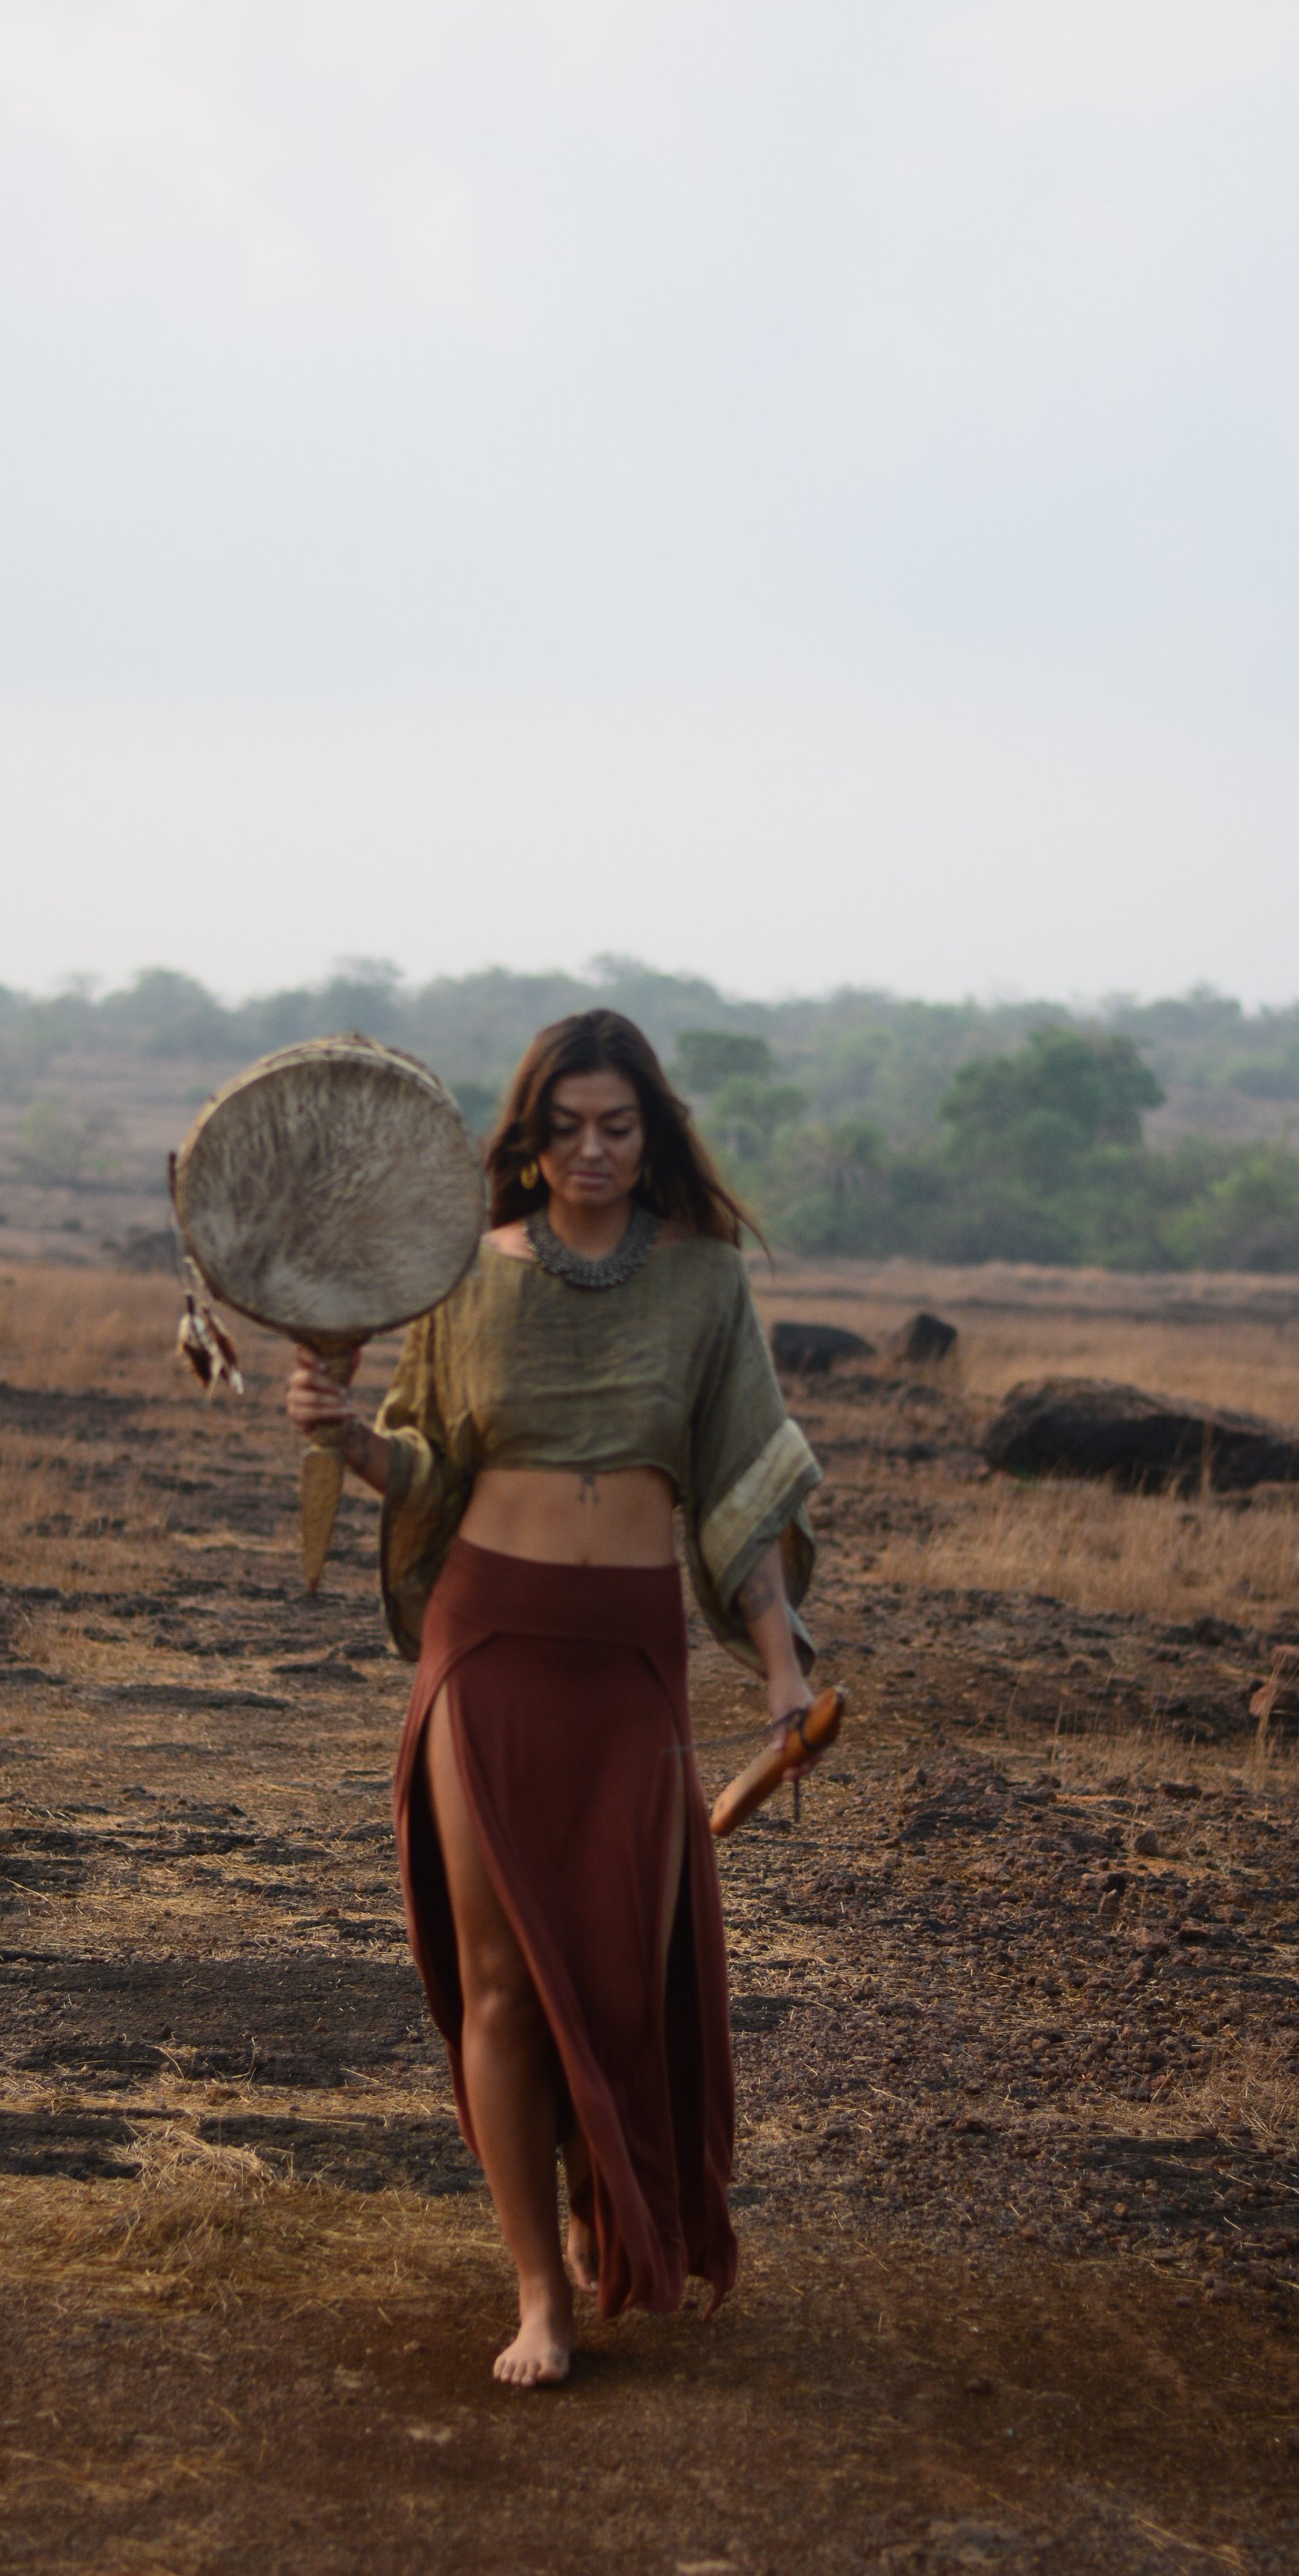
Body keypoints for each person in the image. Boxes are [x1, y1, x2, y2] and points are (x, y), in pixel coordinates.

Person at [286, 1009, 819, 2388]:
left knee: (624, 1985)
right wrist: (352, 1441)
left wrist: (781, 1663)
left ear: (652, 1134)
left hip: (631, 1659)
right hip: (492, 1642)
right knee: (505, 1984)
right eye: (565, 1125)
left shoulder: (705, 1285)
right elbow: (429, 1470)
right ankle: (540, 2293)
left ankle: (611, 2206)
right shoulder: (468, 1276)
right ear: (529, 1137)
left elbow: (743, 1492)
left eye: (617, 1125)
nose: (590, 1150)